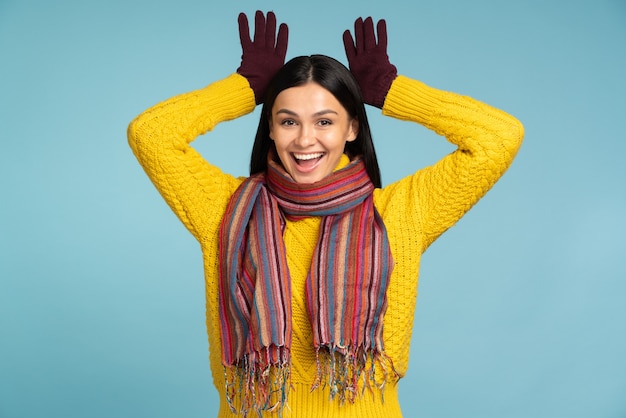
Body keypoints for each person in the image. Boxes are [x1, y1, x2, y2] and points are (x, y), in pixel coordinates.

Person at [128, 10, 524, 418]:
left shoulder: (401, 212)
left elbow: (499, 137)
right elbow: (151, 134)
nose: (305, 139)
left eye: (324, 121)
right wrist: (243, 89)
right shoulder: (227, 209)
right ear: (271, 128)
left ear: (352, 127)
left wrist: (392, 91)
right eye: (288, 121)